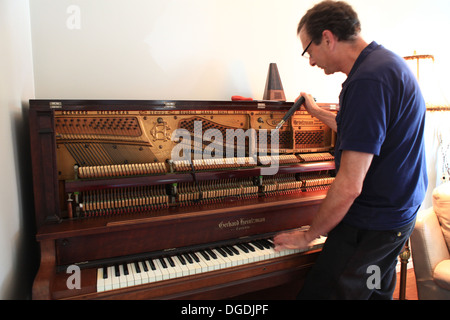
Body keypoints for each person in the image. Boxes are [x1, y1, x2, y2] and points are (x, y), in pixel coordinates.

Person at [273, 0, 428, 299]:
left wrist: (309, 234)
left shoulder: (367, 81)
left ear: (328, 38)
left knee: (330, 292)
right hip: (397, 214)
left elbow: (349, 186)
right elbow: (363, 132)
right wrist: (317, 112)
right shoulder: (385, 64)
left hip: (373, 221)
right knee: (374, 290)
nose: (311, 61)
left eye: (309, 50)